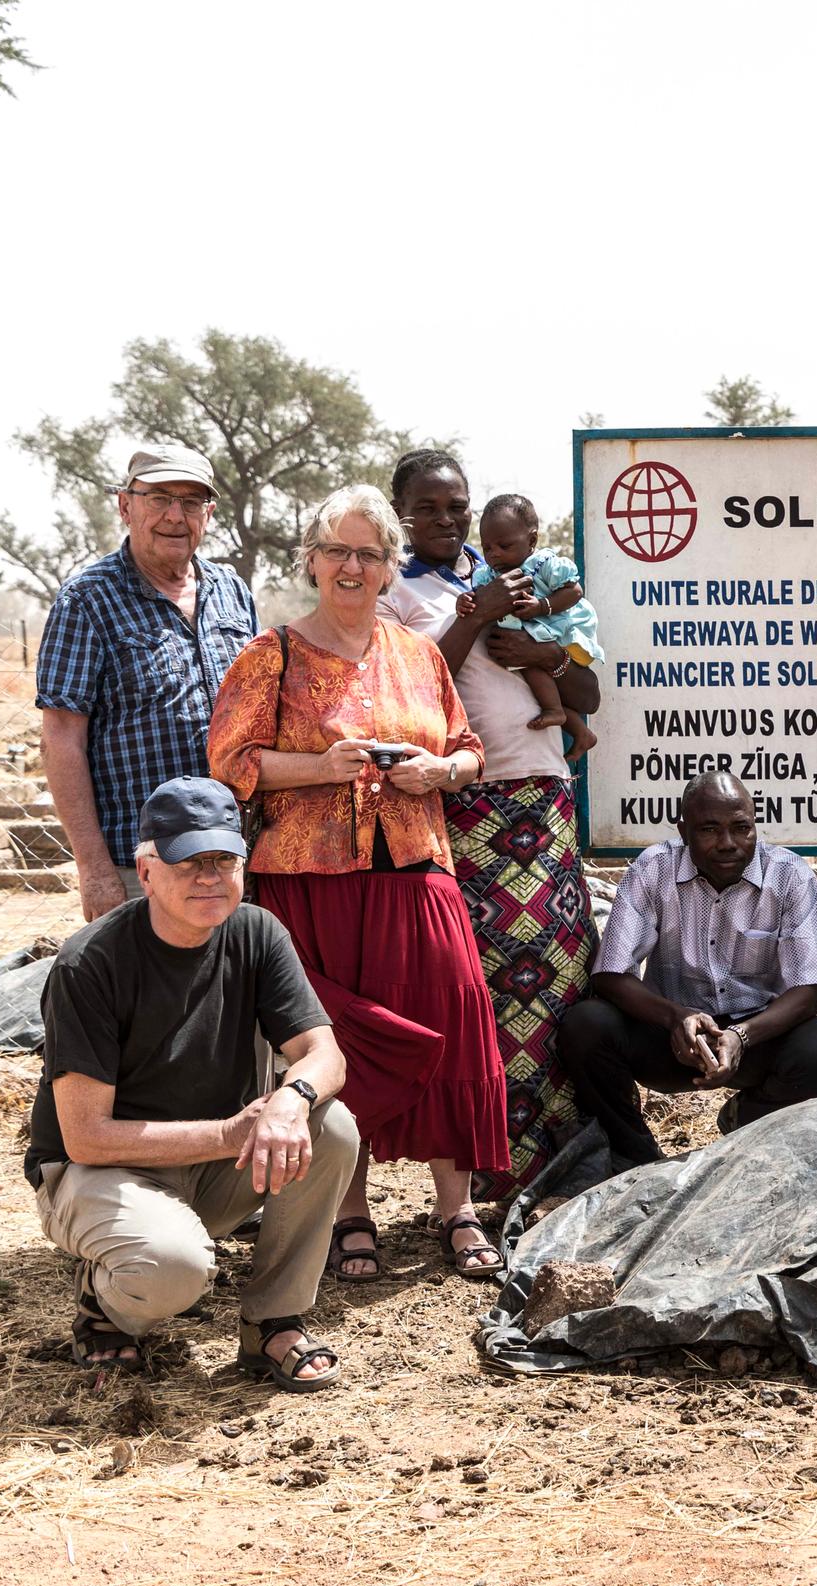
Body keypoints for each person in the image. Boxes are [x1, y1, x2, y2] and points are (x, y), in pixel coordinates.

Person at [207, 484, 508, 1283]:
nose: (350, 565)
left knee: (452, 1016)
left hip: (416, 872)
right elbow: (231, 763)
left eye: (367, 553)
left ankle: (457, 1207)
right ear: (311, 560)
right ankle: (348, 1212)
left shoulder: (417, 654)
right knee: (333, 1043)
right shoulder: (270, 655)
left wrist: (440, 769)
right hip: (310, 886)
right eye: (336, 550)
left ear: (388, 568)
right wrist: (317, 768)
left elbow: (470, 747)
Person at [26, 777, 354, 1391]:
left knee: (330, 1125)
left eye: (222, 860)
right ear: (146, 871)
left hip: (213, 1161)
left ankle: (272, 1322)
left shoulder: (256, 931)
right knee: (171, 1271)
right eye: (188, 862)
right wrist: (232, 1133)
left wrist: (292, 1098)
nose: (209, 877)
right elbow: (87, 1139)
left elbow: (325, 1054)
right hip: (100, 1172)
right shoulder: (90, 963)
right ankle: (106, 1305)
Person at [378, 451, 602, 1203]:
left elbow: (588, 690)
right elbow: (414, 688)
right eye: (429, 508)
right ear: (400, 511)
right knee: (488, 986)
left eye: (457, 508)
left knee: (560, 975)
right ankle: (492, 1159)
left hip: (544, 794)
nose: (446, 521)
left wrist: (541, 648)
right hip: (468, 805)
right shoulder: (396, 591)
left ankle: (567, 1151)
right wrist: (477, 616)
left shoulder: (515, 566)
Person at [559, 771, 817, 1156]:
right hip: (673, 1036)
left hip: (757, 1034)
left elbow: (809, 992)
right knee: (586, 1024)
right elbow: (611, 973)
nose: (728, 843)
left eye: (741, 828)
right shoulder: (653, 868)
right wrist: (674, 1017)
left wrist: (741, 1036)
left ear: (755, 823)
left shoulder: (790, 875)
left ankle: (748, 1131)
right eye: (710, 830)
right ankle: (635, 1158)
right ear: (683, 831)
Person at [36, 444, 257, 923]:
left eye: (191, 502)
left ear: (209, 513)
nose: (175, 516)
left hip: (230, 854)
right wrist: (94, 868)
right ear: (125, 506)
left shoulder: (232, 592)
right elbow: (61, 739)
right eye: (158, 498)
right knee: (147, 994)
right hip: (141, 861)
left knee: (230, 991)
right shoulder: (88, 599)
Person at [467, 492, 599, 759]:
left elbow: (574, 590)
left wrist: (542, 606)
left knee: (532, 667)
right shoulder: (488, 575)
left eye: (504, 546)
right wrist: (466, 601)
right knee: (530, 675)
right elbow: (477, 598)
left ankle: (561, 716)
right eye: (487, 548)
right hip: (526, 637)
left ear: (532, 540)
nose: (494, 555)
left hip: (557, 629)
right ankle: (578, 729)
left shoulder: (543, 565)